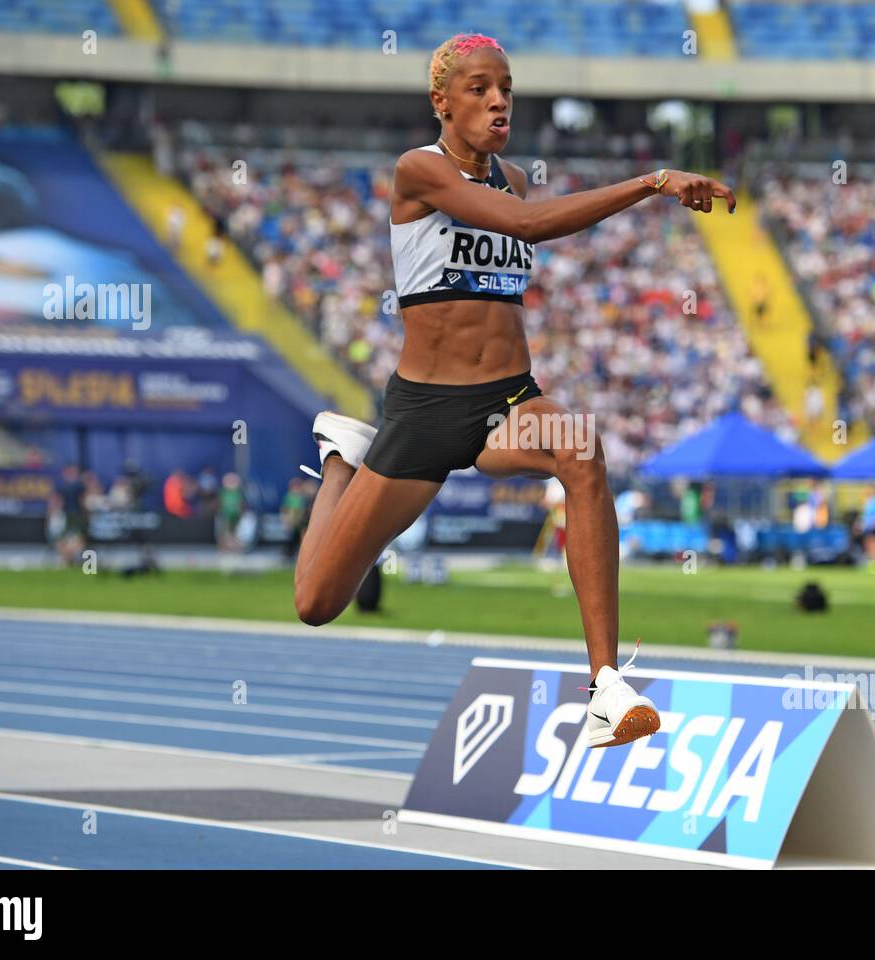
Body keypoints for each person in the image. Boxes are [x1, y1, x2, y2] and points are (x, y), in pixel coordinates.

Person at [293, 32, 734, 749]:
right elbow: (529, 226)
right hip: (426, 412)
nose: (498, 101)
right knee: (316, 602)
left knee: (582, 453)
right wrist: (651, 183)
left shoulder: (516, 178)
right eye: (479, 89)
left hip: (506, 401)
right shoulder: (420, 172)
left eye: (506, 88)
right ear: (442, 102)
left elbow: (520, 221)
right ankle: (344, 457)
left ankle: (605, 686)